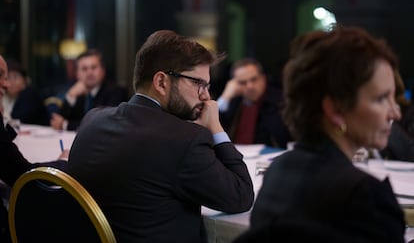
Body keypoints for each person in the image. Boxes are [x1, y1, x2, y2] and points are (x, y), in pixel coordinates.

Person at [68, 30, 254, 243]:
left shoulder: (92, 120)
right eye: (198, 83)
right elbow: (241, 196)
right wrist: (216, 128)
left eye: (207, 85)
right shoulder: (183, 140)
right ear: (162, 82)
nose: (205, 96)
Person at [235, 26, 405, 242]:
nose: (395, 113)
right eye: (381, 98)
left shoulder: (279, 169)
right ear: (335, 109)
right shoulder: (365, 196)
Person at [0, 55, 68, 243]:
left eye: (9, 77)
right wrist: (63, 163)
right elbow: (21, 175)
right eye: (1, 76)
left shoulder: (29, 95)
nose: (6, 85)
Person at [217, 58, 291, 148]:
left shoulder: (280, 101)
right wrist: (225, 97)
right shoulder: (234, 102)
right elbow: (214, 131)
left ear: (263, 78)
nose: (250, 86)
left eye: (254, 79)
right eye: (242, 82)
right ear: (234, 84)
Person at [50, 49, 127, 131]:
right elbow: (58, 120)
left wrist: (66, 125)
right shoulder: (78, 91)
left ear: (103, 71)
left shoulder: (115, 91)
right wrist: (71, 96)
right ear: (77, 74)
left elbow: (102, 124)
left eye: (93, 68)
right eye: (84, 69)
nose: (89, 72)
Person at [2, 60, 48, 125]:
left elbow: (18, 119)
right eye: (8, 78)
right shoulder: (4, 96)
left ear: (25, 80)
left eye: (15, 77)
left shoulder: (30, 95)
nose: (12, 82)